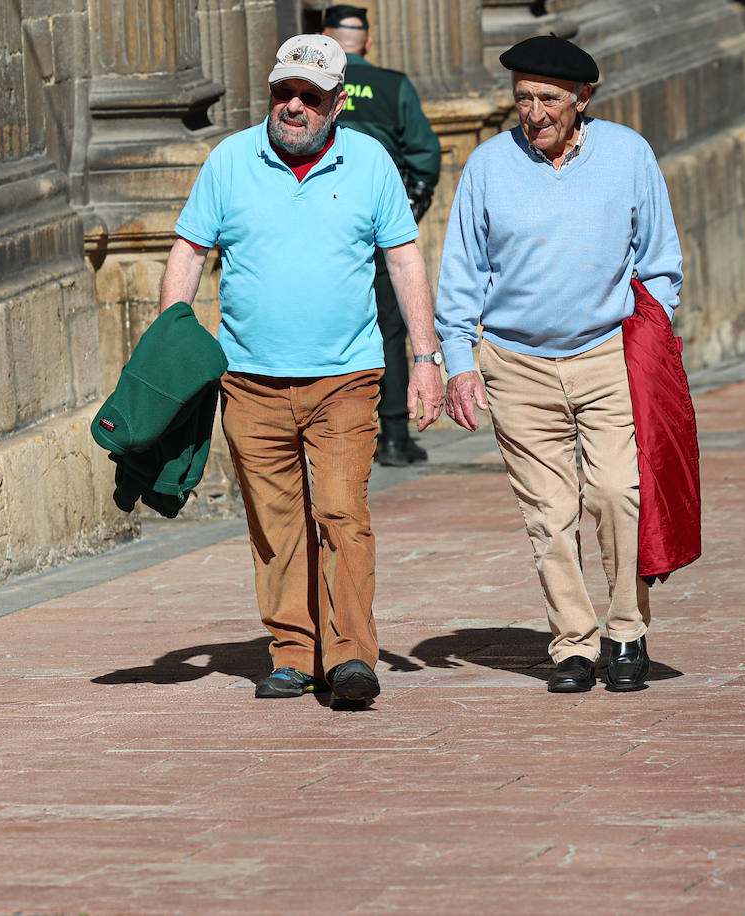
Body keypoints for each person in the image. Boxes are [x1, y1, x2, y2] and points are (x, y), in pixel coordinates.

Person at [159, 34, 444, 706]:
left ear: (337, 102)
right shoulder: (230, 161)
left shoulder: (370, 162)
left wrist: (428, 360)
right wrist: (169, 345)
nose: (292, 106)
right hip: (250, 381)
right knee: (275, 523)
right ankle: (293, 654)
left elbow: (404, 261)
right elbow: (190, 250)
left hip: (344, 380)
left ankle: (348, 658)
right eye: (283, 93)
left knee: (342, 514)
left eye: (309, 97)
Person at [436, 35, 684, 694]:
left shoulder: (628, 155)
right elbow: (462, 269)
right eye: (523, 98)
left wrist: (652, 332)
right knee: (549, 513)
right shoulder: (488, 167)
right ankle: (574, 642)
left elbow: (660, 259)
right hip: (515, 362)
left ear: (583, 98)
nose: (534, 112)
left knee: (616, 491)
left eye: (548, 98)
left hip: (606, 351)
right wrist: (459, 361)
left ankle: (627, 629)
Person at [321, 4, 443, 466]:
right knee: (389, 323)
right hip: (375, 221)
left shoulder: (307, 88)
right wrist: (407, 212)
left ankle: (333, 430)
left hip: (318, 220)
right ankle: (393, 434)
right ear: (367, 42)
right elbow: (425, 155)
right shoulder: (393, 85)